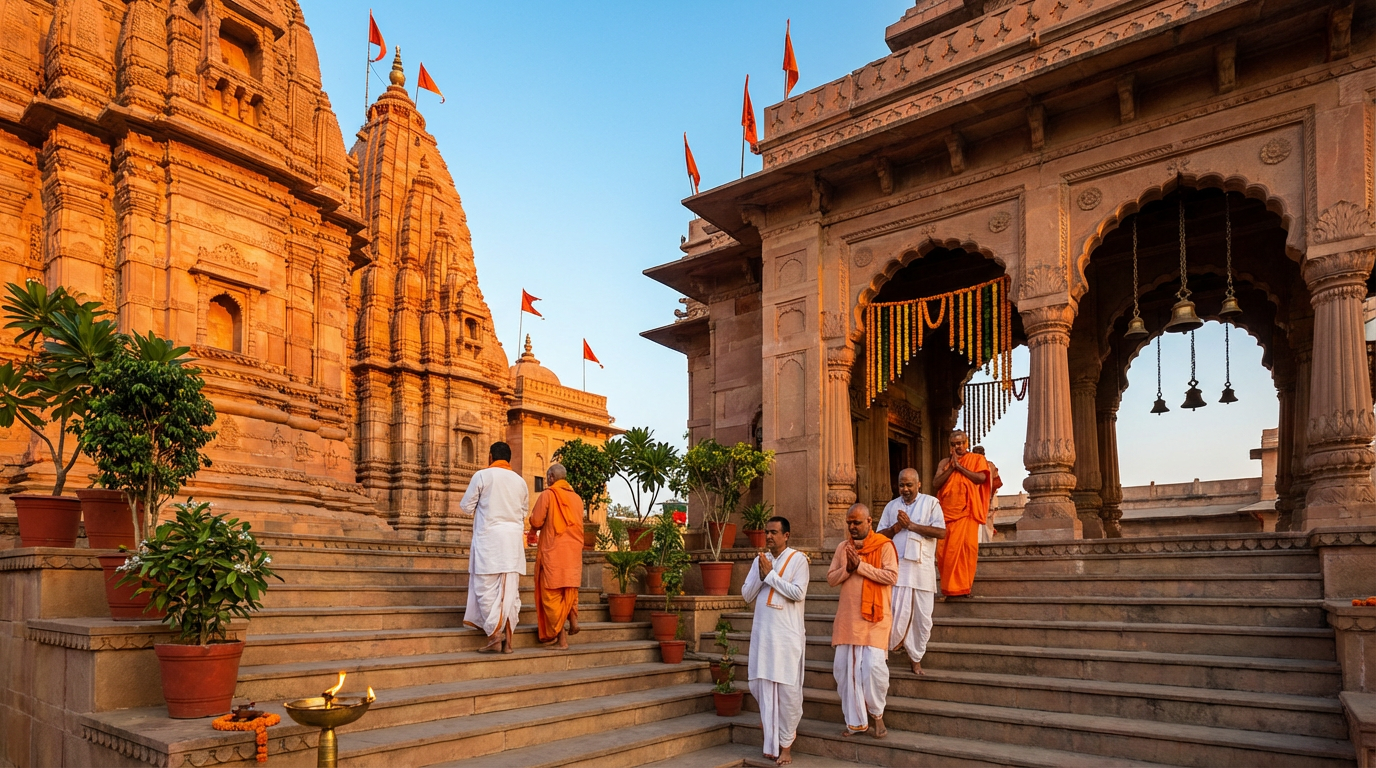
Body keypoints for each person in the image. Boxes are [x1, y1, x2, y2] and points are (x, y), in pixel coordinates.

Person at [741, 516, 809, 766]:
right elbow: (746, 595)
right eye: (766, 532)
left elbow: (798, 593)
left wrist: (770, 576)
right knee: (760, 687)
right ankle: (771, 742)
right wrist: (761, 573)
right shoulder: (760, 560)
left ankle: (786, 746)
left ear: (786, 535)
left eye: (773, 532)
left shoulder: (799, 560)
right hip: (764, 636)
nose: (768, 536)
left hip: (787, 637)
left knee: (788, 694)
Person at [828, 503, 898, 739]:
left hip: (875, 619)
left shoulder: (884, 545)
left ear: (869, 522)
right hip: (848, 620)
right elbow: (831, 578)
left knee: (873, 670)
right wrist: (848, 569)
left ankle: (877, 716)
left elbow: (891, 576)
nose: (852, 527)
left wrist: (861, 567)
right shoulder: (842, 547)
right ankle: (855, 722)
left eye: (857, 522)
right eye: (849, 522)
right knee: (843, 671)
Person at [460, 442, 529, 653]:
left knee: (485, 589)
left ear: (490, 456)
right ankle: (508, 643)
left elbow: (465, 507)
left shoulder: (482, 476)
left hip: (488, 542)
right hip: (512, 544)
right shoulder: (521, 482)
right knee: (509, 594)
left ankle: (494, 637)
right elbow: (524, 512)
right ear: (509, 458)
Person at [877, 468, 946, 675]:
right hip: (898, 568)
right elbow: (880, 536)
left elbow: (941, 532)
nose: (904, 489)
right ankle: (886, 653)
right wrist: (896, 528)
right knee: (895, 613)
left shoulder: (931, 503)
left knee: (923, 618)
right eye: (901, 485)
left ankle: (916, 658)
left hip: (922, 570)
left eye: (909, 485)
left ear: (919, 485)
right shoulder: (891, 506)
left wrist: (912, 526)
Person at [529, 462, 583, 650]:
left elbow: (536, 520)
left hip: (553, 551)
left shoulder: (548, 495)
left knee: (552, 595)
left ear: (551, 477)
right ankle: (573, 621)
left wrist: (533, 528)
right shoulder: (577, 498)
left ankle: (562, 639)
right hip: (574, 552)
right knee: (569, 590)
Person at [934, 430, 992, 599]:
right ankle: (948, 589)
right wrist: (952, 467)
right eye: (953, 444)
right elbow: (936, 483)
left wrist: (960, 468)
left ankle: (964, 588)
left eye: (960, 444)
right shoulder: (944, 462)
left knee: (967, 550)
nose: (957, 447)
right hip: (946, 514)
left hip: (967, 513)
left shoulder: (976, 459)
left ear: (966, 443)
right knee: (945, 553)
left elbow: (980, 478)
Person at [972, 446, 1003, 542]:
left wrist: (989, 497)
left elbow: (996, 484)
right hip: (976, 500)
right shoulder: (969, 465)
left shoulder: (989, 466)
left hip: (985, 500)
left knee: (985, 525)